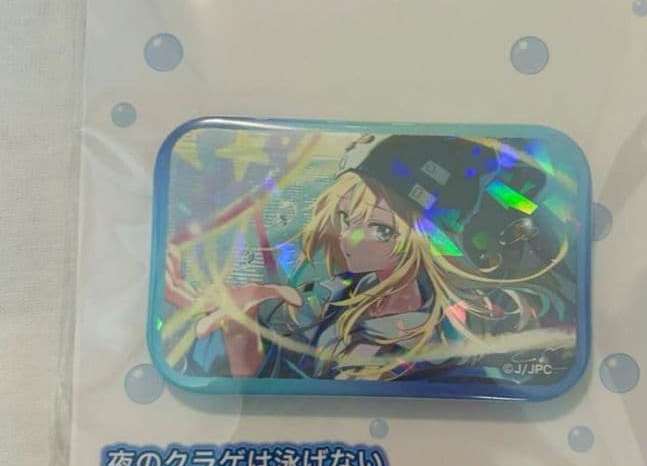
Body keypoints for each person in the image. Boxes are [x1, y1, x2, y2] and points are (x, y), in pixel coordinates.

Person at [165, 133, 574, 383]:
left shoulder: (460, 330)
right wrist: (230, 320)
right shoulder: (336, 293)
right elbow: (278, 341)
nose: (348, 237)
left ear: (428, 241)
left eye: (381, 229)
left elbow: (326, 406)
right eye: (345, 218)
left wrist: (245, 347)